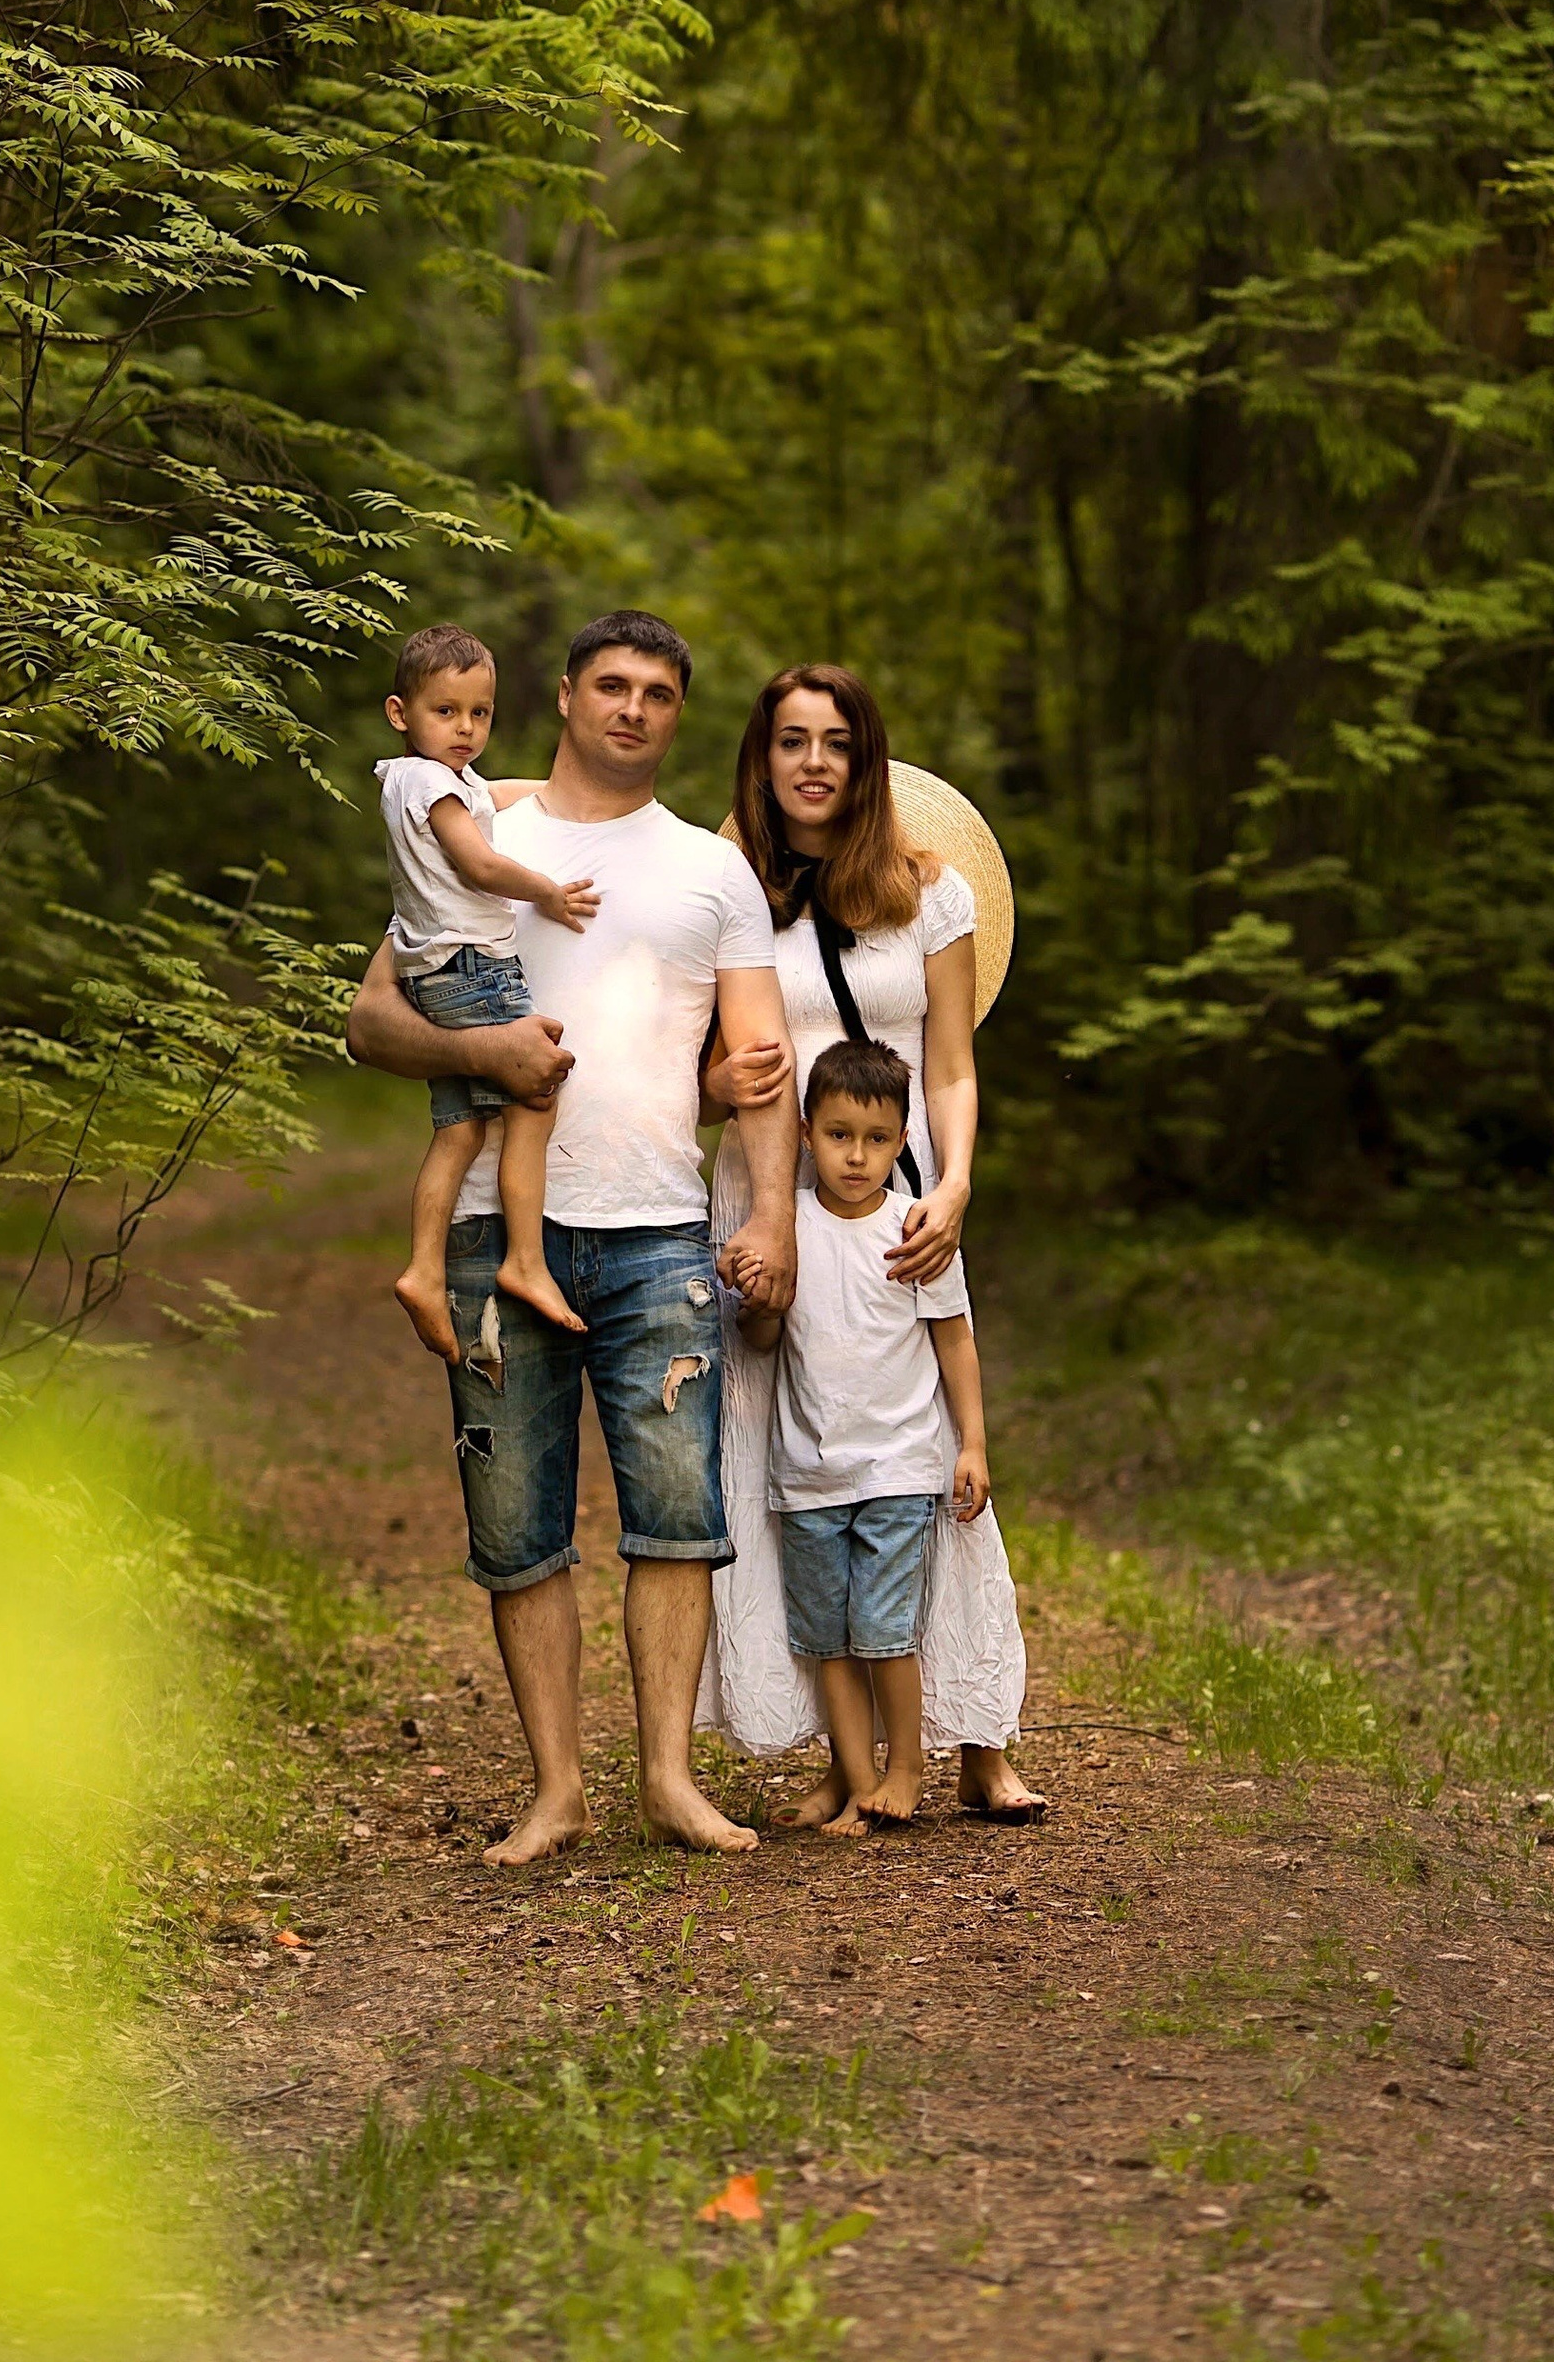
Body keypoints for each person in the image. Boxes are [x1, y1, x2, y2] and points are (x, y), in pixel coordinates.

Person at [346, 609, 798, 1865]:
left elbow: (758, 1063)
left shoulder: (712, 873)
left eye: (659, 690)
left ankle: (667, 1781)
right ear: (564, 694)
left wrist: (771, 1214)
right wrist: (476, 1051)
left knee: (676, 1517)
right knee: (517, 1528)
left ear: (676, 713)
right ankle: (555, 1790)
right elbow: (369, 1024)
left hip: (657, 1231)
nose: (634, 708)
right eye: (613, 683)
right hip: (497, 1234)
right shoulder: (485, 830)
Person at [704, 659, 1042, 1821]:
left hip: (896, 1203)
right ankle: (842, 1759)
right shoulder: (730, 893)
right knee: (788, 1475)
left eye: (833, 742)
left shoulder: (925, 892)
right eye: (790, 741)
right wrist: (723, 1082)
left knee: (933, 1463)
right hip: (769, 1206)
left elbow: (949, 1062)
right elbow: (697, 1072)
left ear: (864, 758)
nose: (811, 763)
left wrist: (952, 1190)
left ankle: (977, 1739)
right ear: (763, 758)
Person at [733, 1038, 996, 1833]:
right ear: (807, 1132)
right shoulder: (790, 1229)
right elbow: (762, 1341)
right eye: (840, 1135)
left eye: (877, 1140)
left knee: (885, 1634)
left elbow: (955, 1341)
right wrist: (759, 1298)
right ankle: (856, 1782)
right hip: (809, 1473)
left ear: (903, 1140)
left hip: (896, 1469)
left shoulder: (916, 1232)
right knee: (829, 1642)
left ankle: (906, 1768)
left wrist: (972, 1444)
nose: (857, 1156)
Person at [375, 620, 595, 1358]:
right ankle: (526, 1261)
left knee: (459, 1130)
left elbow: (491, 797)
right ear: (401, 713)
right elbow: (480, 864)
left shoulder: (423, 778)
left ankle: (422, 1270)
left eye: (480, 713)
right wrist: (548, 894)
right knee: (534, 1093)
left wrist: (567, 792)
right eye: (446, 712)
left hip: (431, 970)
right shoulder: (433, 784)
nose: (466, 728)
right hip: (474, 965)